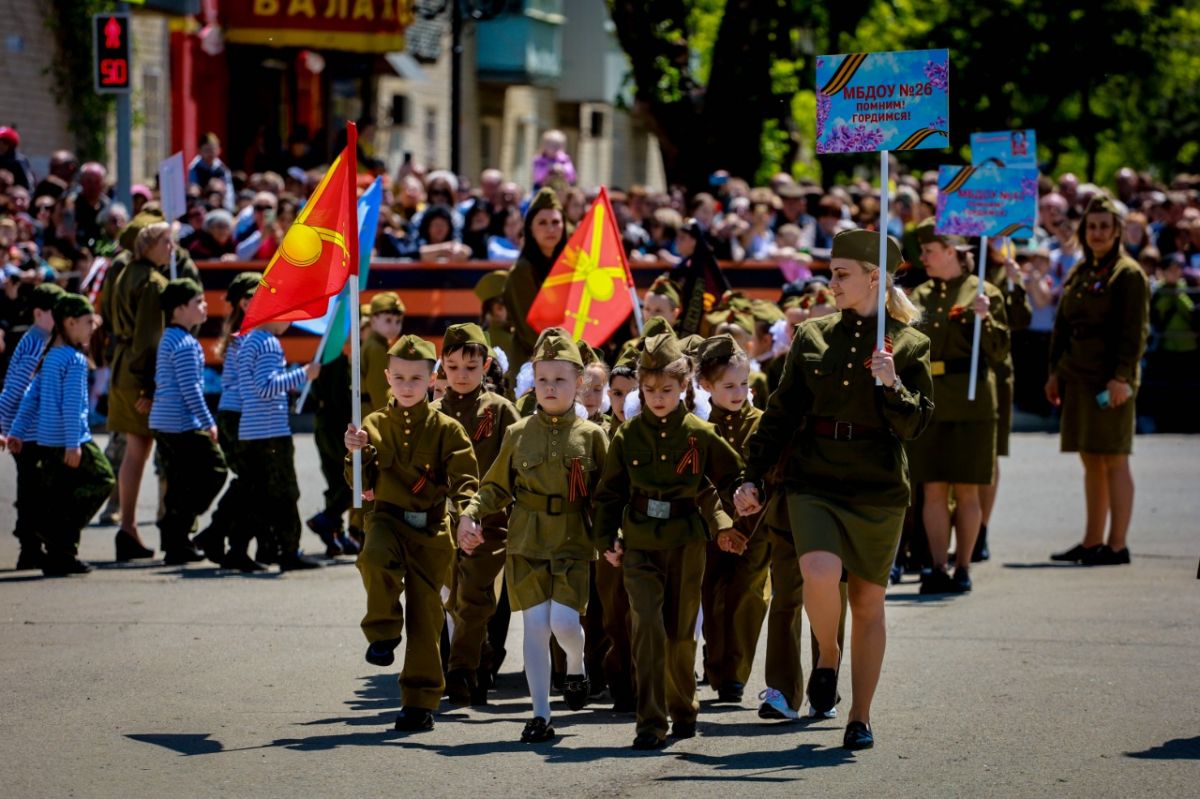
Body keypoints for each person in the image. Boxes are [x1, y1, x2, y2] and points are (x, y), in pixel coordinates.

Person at [734, 229, 934, 751]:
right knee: (817, 570)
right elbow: (780, 413)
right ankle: (827, 652)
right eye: (830, 271)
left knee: (868, 600)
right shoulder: (813, 335)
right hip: (814, 476)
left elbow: (916, 426)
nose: (832, 282)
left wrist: (893, 384)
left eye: (841, 273)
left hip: (877, 483)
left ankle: (860, 716)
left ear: (874, 278)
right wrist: (751, 474)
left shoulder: (909, 344)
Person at [593, 332, 744, 751]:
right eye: (649, 390)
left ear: (684, 387)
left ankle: (683, 707)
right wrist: (606, 538)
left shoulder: (699, 433)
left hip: (685, 542)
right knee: (646, 626)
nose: (657, 398)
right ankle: (650, 721)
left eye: (667, 389)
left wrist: (741, 503)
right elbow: (609, 493)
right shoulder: (628, 436)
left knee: (679, 633)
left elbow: (731, 476)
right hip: (640, 541)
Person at [458, 329, 608, 743]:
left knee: (564, 623)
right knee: (536, 627)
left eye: (560, 379)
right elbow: (494, 487)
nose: (550, 387)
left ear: (579, 383)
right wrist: (471, 512)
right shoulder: (518, 432)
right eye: (543, 379)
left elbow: (609, 495)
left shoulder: (594, 436)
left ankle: (575, 667)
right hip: (526, 540)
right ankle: (541, 714)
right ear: (532, 382)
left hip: (574, 539)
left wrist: (614, 536)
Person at [345, 334, 479, 733]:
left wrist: (469, 514)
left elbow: (465, 479)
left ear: (433, 379)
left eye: (416, 378)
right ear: (386, 377)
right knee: (372, 557)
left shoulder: (446, 429)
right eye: (399, 377)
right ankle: (383, 632)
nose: (406, 386)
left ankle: (419, 703)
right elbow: (359, 484)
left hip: (432, 530)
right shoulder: (372, 424)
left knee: (427, 617)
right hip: (386, 518)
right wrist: (355, 453)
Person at [1046, 195, 1150, 566]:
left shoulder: (1128, 274)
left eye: (1105, 226)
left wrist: (1122, 376)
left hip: (1110, 382)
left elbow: (1134, 332)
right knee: (1090, 459)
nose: (1098, 233)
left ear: (1118, 230)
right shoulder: (1082, 271)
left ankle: (1117, 545)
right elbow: (1063, 327)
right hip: (1078, 377)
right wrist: (1055, 372)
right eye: (1092, 226)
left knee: (1115, 459)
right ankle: (1092, 541)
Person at [907, 219, 1009, 594]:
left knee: (967, 489)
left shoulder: (983, 291)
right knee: (932, 488)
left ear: (951, 250)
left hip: (973, 401)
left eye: (929, 251)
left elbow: (1000, 350)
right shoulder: (918, 296)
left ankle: (963, 565)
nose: (923, 258)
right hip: (932, 398)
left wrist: (986, 317)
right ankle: (936, 566)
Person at [433, 323, 520, 706]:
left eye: (471, 367)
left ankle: (461, 672)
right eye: (453, 368)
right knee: (450, 597)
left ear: (486, 365)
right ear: (442, 368)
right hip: (442, 522)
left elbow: (519, 461)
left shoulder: (500, 411)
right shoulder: (431, 413)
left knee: (476, 596)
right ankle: (481, 660)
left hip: (490, 522)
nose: (462, 376)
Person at [7, 294, 115, 577]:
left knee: (62, 493)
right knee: (104, 478)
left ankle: (60, 555)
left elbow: (32, 397)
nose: (93, 327)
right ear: (69, 323)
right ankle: (56, 533)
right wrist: (73, 443)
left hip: (46, 441)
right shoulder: (75, 360)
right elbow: (73, 406)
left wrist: (17, 431)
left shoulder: (51, 356)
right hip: (71, 439)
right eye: (88, 322)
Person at [696, 334, 767, 705]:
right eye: (728, 386)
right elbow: (699, 482)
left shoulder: (763, 423)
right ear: (705, 385)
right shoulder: (698, 428)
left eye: (744, 383)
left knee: (747, 597)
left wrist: (746, 520)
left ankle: (734, 676)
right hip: (710, 529)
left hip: (756, 529)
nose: (739, 392)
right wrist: (722, 525)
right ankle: (717, 661)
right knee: (712, 597)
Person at [106, 221, 174, 562]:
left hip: (121, 366)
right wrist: (149, 384)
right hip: (138, 372)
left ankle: (128, 527)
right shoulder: (151, 281)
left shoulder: (124, 272)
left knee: (135, 451)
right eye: (165, 242)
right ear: (147, 245)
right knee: (138, 451)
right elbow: (149, 339)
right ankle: (129, 527)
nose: (171, 248)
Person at [148, 279, 228, 565]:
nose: (204, 306)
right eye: (198, 302)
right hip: (179, 423)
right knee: (215, 470)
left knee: (180, 481)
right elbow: (190, 389)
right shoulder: (183, 342)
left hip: (165, 421)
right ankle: (178, 530)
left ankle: (175, 541)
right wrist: (209, 423)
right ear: (179, 309)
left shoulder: (171, 337)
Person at [236, 318, 323, 571]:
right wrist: (304, 374)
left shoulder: (249, 340)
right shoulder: (269, 343)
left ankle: (259, 548)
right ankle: (288, 551)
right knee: (285, 493)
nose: (292, 321)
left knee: (258, 495)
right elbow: (266, 387)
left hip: (252, 429)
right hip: (271, 431)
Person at [194, 272, 262, 570]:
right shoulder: (245, 337)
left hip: (239, 414)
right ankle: (219, 535)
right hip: (239, 415)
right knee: (252, 482)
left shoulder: (248, 334)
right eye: (253, 296)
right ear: (242, 303)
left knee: (249, 482)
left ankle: (225, 539)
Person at [0, 282, 65, 569]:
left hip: (34, 431)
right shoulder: (35, 343)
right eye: (57, 312)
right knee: (32, 490)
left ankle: (33, 545)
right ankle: (30, 547)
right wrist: (5, 427)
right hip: (27, 433)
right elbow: (15, 389)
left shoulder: (44, 339)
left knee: (35, 489)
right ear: (39, 313)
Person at [978, 239, 1033, 561]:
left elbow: (1020, 319)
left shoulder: (1004, 273)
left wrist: (1015, 282)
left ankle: (980, 529)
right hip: (953, 376)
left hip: (994, 372)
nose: (998, 241)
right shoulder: (955, 263)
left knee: (990, 456)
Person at [502, 188, 567, 380]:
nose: (550, 229)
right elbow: (530, 329)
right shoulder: (522, 270)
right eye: (542, 222)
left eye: (556, 222)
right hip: (531, 366)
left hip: (567, 361)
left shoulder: (570, 267)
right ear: (530, 228)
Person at [362, 292, 405, 415]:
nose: (394, 326)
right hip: (373, 414)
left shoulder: (375, 345)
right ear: (373, 320)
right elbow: (380, 391)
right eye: (388, 320)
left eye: (398, 321)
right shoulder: (376, 349)